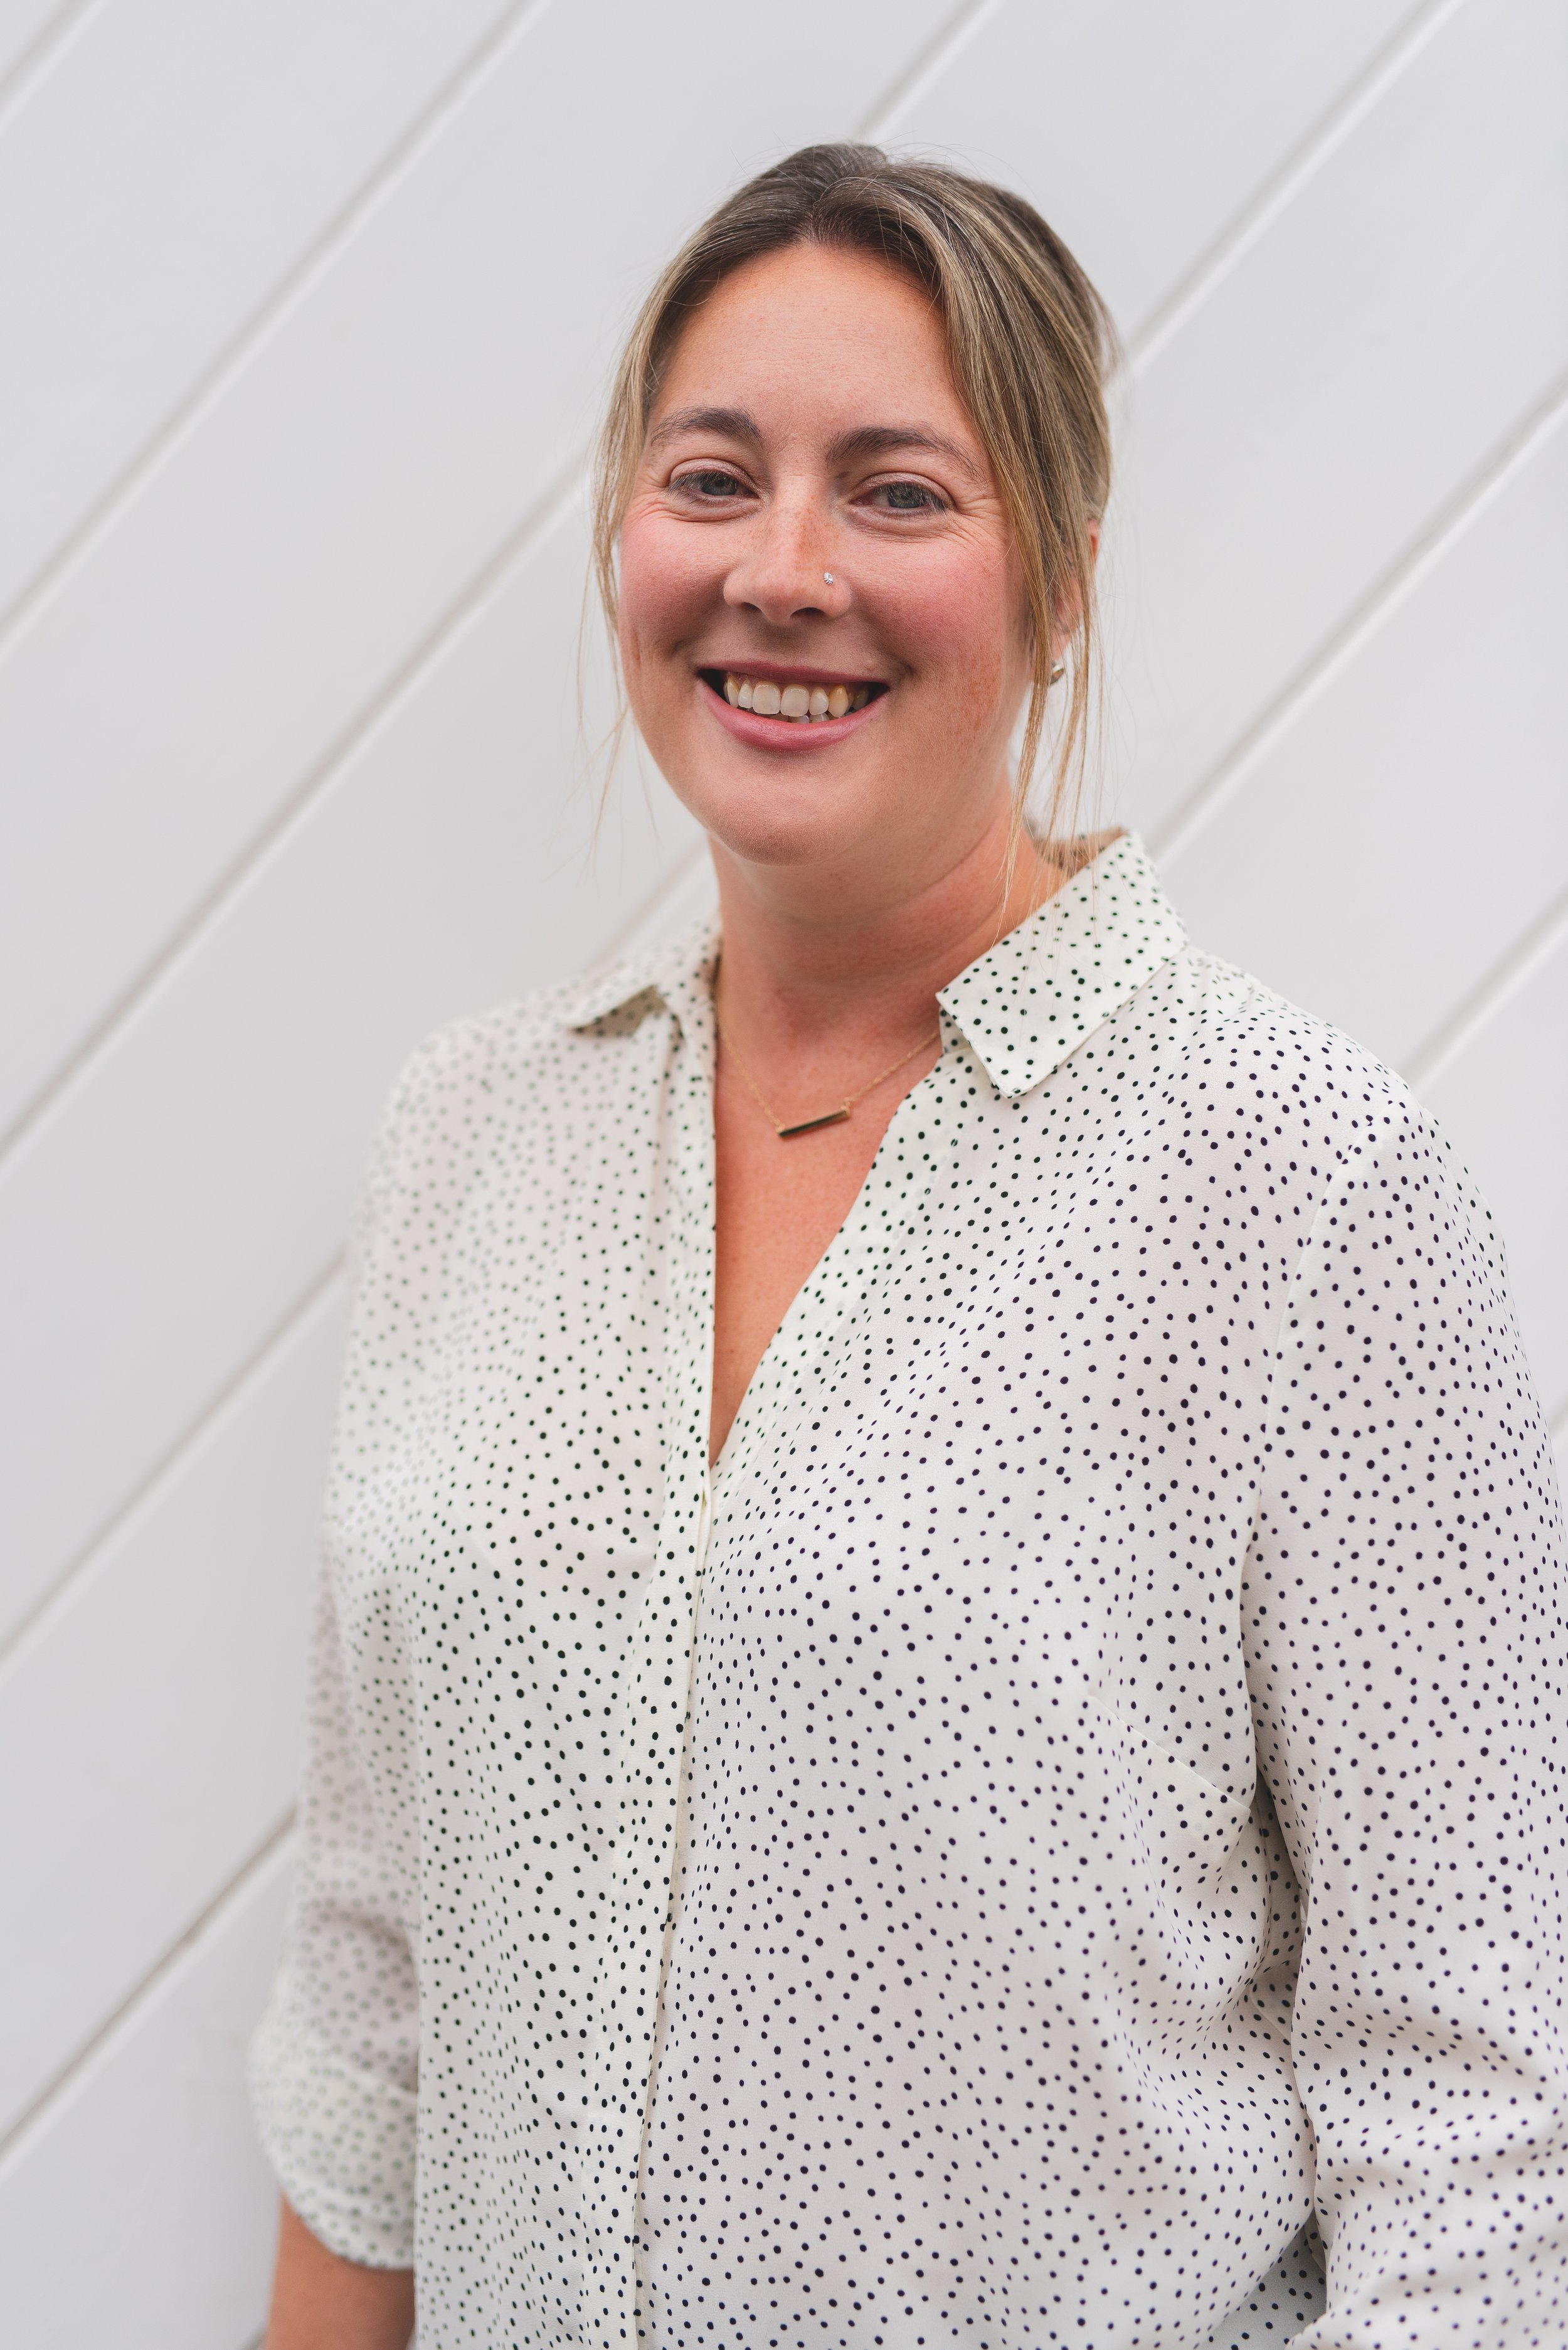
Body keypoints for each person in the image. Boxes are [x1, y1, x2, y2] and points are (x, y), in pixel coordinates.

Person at [253, 145, 1568, 2349]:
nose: (782, 571)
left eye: (895, 492)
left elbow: (1483, 2131)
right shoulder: (468, 1138)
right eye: (711, 477)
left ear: (1056, 580)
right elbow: (375, 2003)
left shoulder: (1303, 1192)